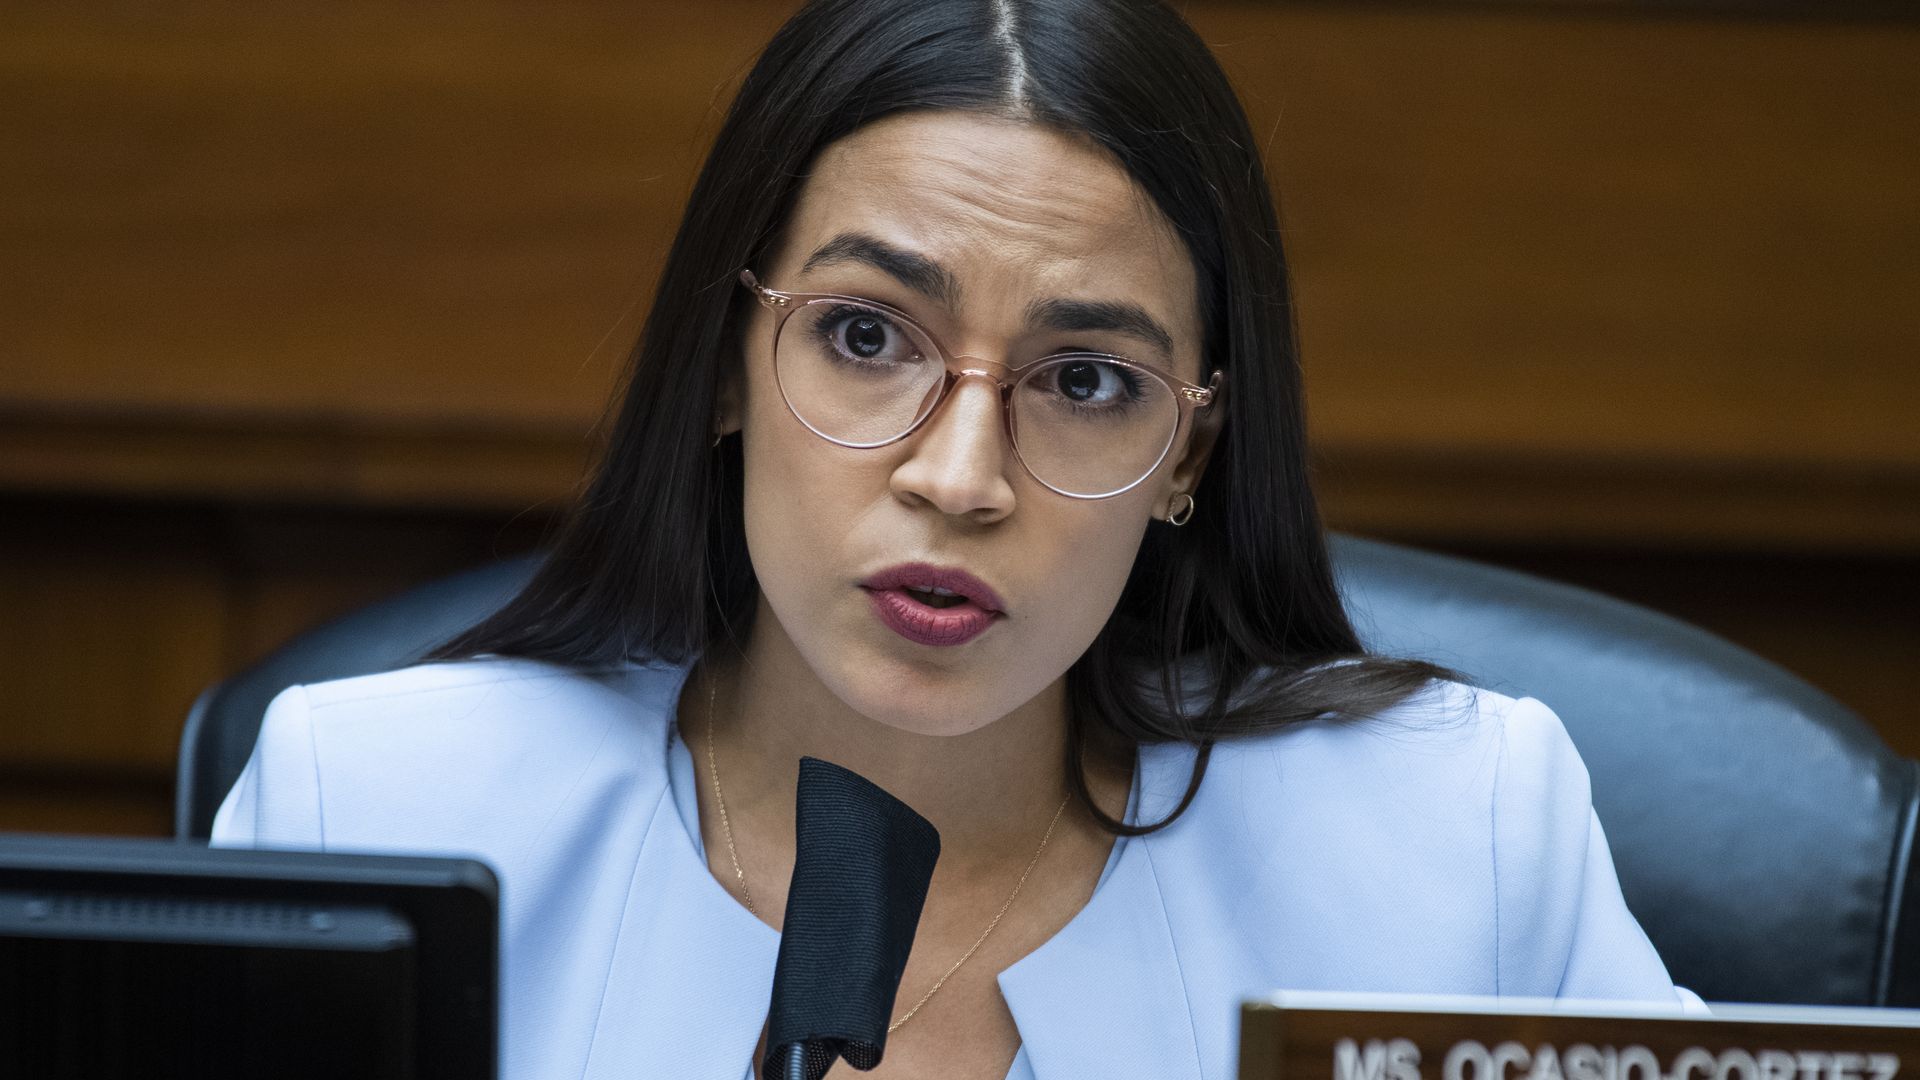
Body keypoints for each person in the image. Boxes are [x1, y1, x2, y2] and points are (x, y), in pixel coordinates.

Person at [211, 0, 1697, 1076]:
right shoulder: (379, 812)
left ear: (1188, 451)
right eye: (866, 337)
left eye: (1086, 381)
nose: (960, 476)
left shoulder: (1455, 849)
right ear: (727, 363)